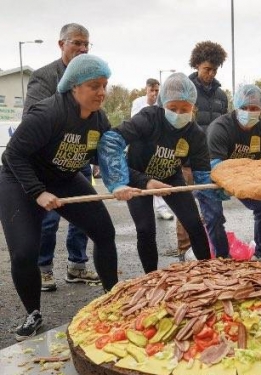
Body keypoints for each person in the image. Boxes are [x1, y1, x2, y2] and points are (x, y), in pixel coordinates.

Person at [0, 54, 119, 341]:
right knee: (25, 251)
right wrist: (38, 193)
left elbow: (110, 159)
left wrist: (124, 184)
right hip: (18, 179)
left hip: (63, 178)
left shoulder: (99, 120)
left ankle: (114, 298)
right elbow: (12, 154)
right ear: (73, 87)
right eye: (94, 86)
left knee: (104, 232)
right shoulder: (47, 113)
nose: (101, 92)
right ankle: (33, 313)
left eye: (104, 85)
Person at [98, 72, 212, 272]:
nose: (178, 113)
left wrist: (216, 192)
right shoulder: (149, 118)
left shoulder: (195, 134)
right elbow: (111, 139)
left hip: (170, 178)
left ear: (193, 108)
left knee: (194, 223)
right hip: (137, 176)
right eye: (172, 108)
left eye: (184, 109)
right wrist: (132, 181)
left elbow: (203, 173)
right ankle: (151, 278)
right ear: (162, 104)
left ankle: (207, 274)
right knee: (145, 229)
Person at [23, 23, 99, 292]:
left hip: (79, 158)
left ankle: (77, 265)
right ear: (61, 44)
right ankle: (43, 269)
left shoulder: (93, 75)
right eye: (76, 42)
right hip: (48, 164)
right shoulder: (44, 77)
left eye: (86, 44)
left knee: (84, 217)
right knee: (49, 219)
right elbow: (32, 117)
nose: (82, 48)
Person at [197, 84, 261, 260]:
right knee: (214, 217)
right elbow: (215, 165)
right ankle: (222, 259)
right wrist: (230, 183)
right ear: (236, 107)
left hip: (245, 178)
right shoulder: (220, 127)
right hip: (211, 175)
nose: (249, 112)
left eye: (254, 108)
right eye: (244, 108)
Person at [167, 41, 229, 258]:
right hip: (184, 159)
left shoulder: (221, 96)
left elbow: (225, 127)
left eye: (214, 69)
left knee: (213, 211)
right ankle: (185, 251)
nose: (210, 73)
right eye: (206, 69)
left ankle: (216, 253)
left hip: (210, 160)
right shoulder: (185, 90)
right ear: (196, 65)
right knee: (186, 208)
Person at [130, 78, 174, 221]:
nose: (154, 93)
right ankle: (144, 211)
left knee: (158, 177)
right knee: (142, 179)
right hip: (140, 146)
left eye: (157, 90)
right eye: (152, 90)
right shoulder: (138, 103)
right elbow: (136, 122)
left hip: (156, 146)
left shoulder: (160, 104)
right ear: (146, 90)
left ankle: (161, 209)